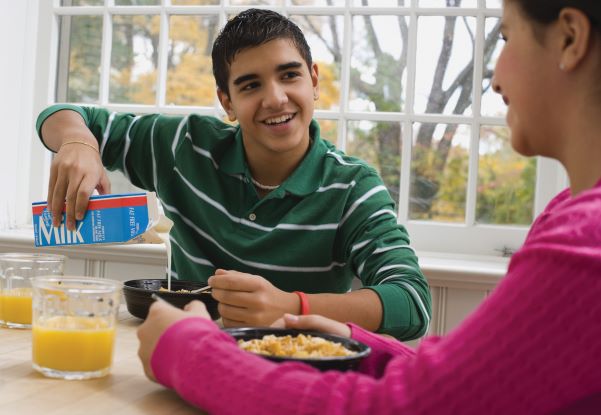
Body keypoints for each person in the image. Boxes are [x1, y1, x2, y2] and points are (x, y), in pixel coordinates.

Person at [136, 1, 601, 413]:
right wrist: (360, 343)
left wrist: (188, 351)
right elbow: (475, 387)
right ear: (227, 102)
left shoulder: (584, 243)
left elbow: (401, 405)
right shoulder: (566, 211)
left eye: (506, 37)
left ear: (570, 39)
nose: (495, 76)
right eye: (251, 85)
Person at [35, 9, 431, 339]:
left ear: (314, 80)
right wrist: (79, 144)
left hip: (295, 378)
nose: (275, 98)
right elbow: (63, 116)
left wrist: (291, 305)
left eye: (289, 75)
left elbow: (412, 302)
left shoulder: (352, 188)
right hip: (181, 361)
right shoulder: (183, 147)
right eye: (250, 85)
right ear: (227, 101)